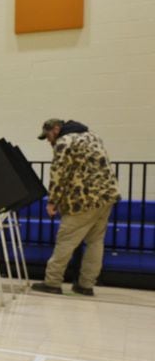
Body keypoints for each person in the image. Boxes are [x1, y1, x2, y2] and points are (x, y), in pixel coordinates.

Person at [31, 119, 120, 296]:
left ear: (56, 130)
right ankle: (86, 285)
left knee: (66, 240)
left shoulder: (65, 142)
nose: (49, 141)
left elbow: (58, 173)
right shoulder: (93, 136)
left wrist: (52, 201)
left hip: (83, 200)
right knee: (95, 242)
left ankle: (52, 282)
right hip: (106, 197)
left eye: (48, 136)